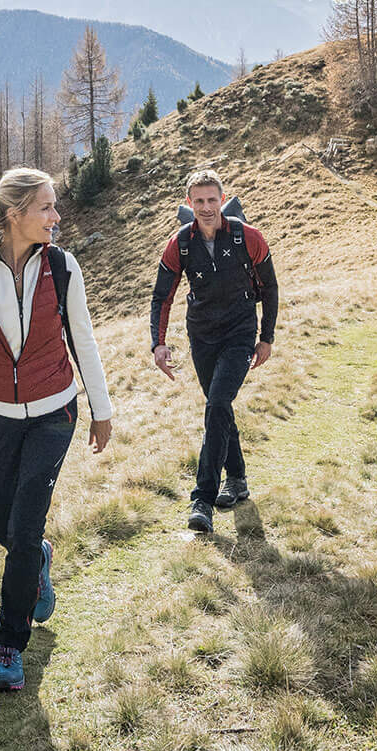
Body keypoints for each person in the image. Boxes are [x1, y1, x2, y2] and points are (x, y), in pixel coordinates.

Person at [0, 168, 113, 693]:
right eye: (45, 207)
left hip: (53, 414)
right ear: (15, 214)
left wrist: (101, 411)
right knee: (4, 527)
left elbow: (83, 340)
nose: (55, 217)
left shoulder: (62, 268)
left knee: (20, 530)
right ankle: (38, 558)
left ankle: (9, 644)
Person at [148, 168, 279, 533]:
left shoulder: (247, 237)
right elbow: (163, 295)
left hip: (239, 333)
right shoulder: (180, 243)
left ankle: (202, 498)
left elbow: (269, 288)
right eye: (199, 201)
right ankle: (236, 479)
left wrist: (265, 337)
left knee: (217, 404)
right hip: (202, 336)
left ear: (222, 200)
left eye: (212, 199)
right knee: (220, 408)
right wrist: (158, 343)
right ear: (189, 204)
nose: (206, 207)